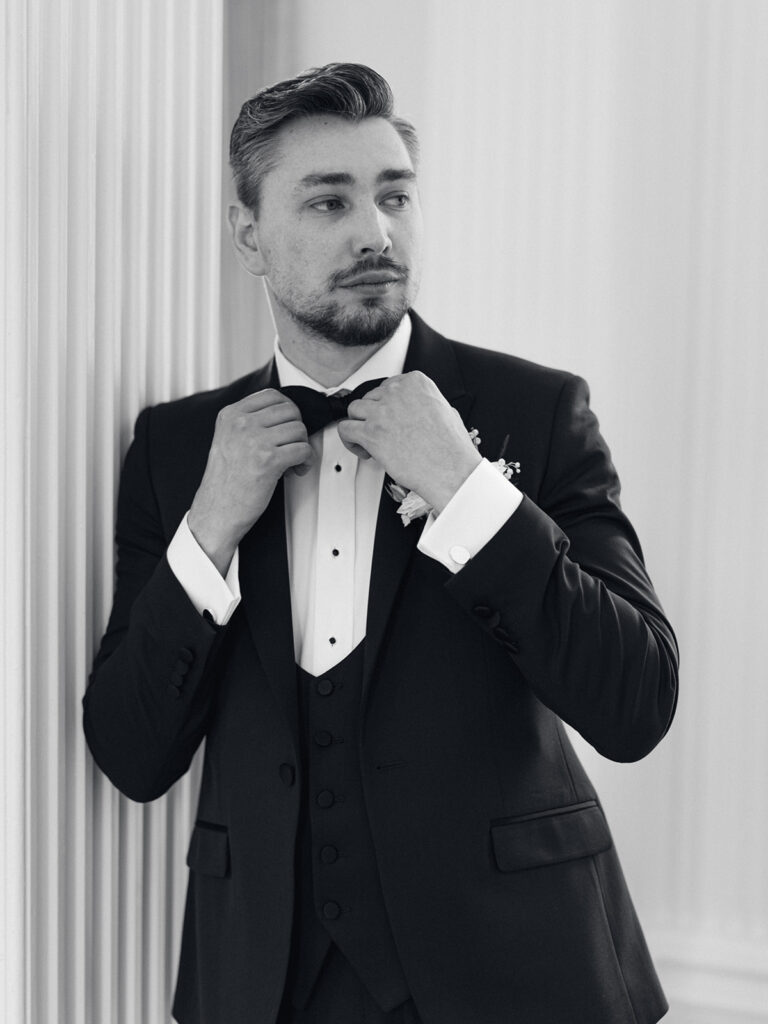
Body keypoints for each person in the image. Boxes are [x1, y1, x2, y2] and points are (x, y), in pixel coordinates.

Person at [83, 63, 678, 1024]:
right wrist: (211, 526)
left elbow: (637, 701)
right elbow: (131, 751)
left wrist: (468, 492)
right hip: (263, 990)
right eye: (330, 201)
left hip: (522, 977)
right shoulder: (181, 448)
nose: (377, 232)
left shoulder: (534, 411)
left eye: (394, 194)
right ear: (250, 237)